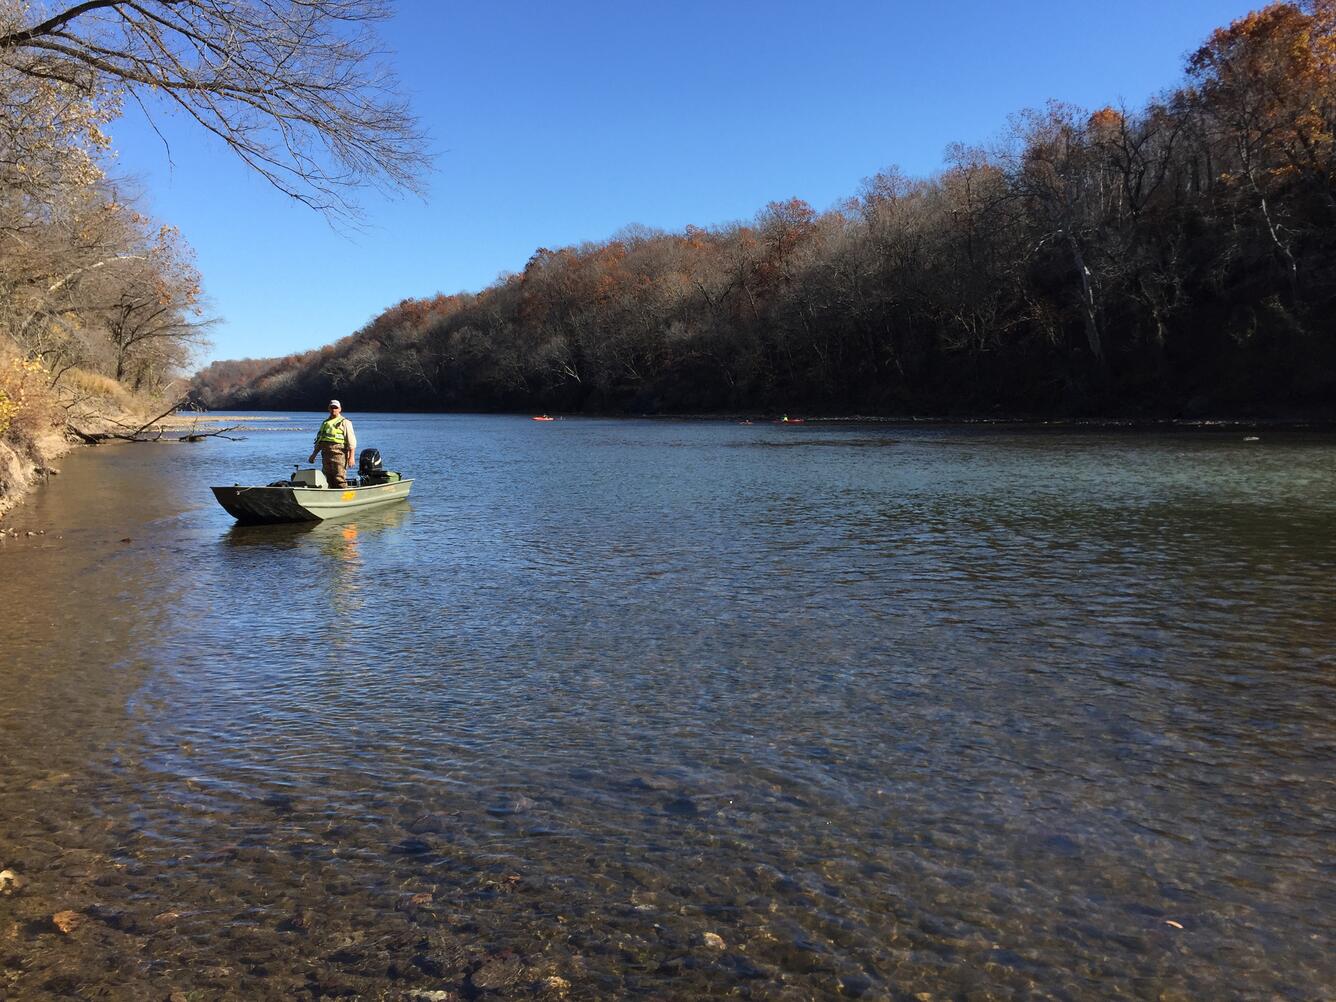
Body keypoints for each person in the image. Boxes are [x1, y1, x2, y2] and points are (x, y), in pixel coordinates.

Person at [308, 399, 357, 488]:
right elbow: (320, 441)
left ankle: (344, 497)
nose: (334, 409)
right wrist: (313, 455)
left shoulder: (345, 422)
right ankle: (330, 498)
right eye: (332, 407)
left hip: (339, 454)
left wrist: (351, 457)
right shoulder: (325, 423)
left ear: (340, 409)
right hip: (326, 455)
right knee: (327, 478)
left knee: (339, 478)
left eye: (336, 407)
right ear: (329, 409)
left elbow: (351, 441)